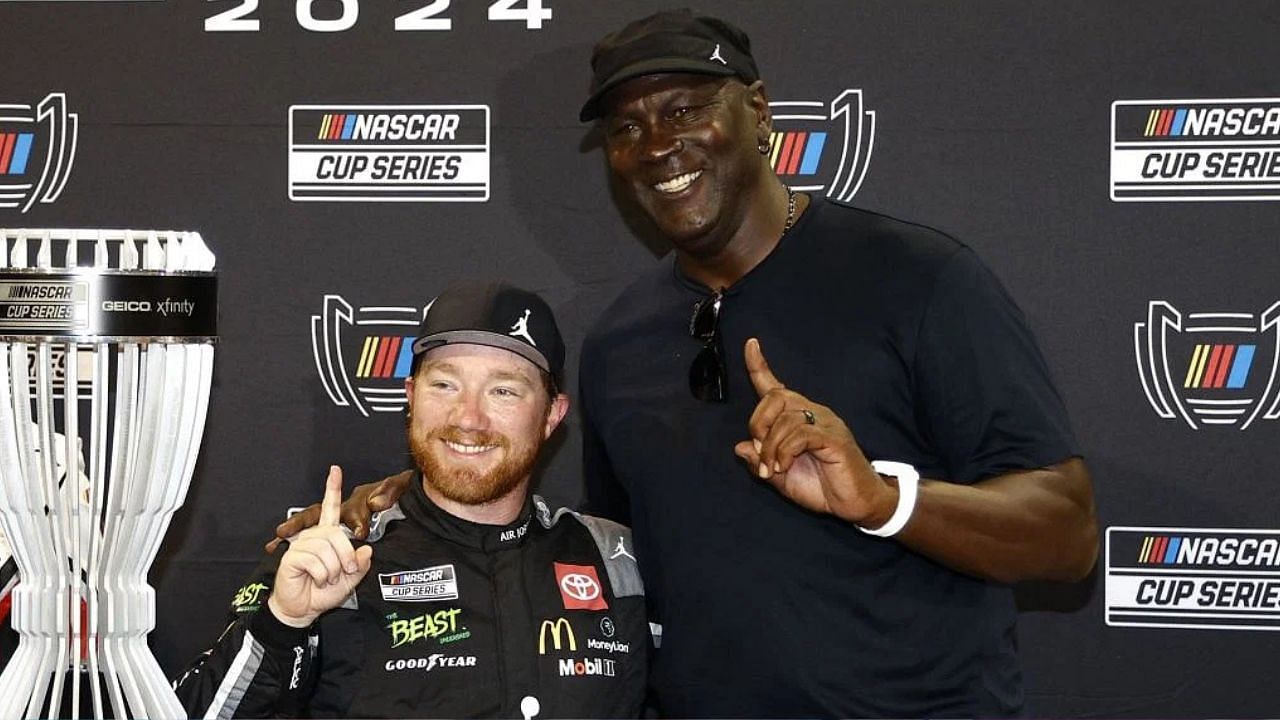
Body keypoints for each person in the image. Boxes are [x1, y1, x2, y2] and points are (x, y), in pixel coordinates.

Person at [278, 10, 1099, 718]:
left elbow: (1066, 534)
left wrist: (884, 500)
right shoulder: (620, 341)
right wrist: (414, 505)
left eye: (685, 109)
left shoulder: (918, 280)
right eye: (626, 128)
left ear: (760, 112)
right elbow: (610, 559)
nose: (658, 146)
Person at [177, 281, 649, 719]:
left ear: (551, 416)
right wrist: (283, 624)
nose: (468, 418)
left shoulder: (618, 561)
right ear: (410, 395)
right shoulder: (326, 557)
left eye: (503, 391)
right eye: (444, 384)